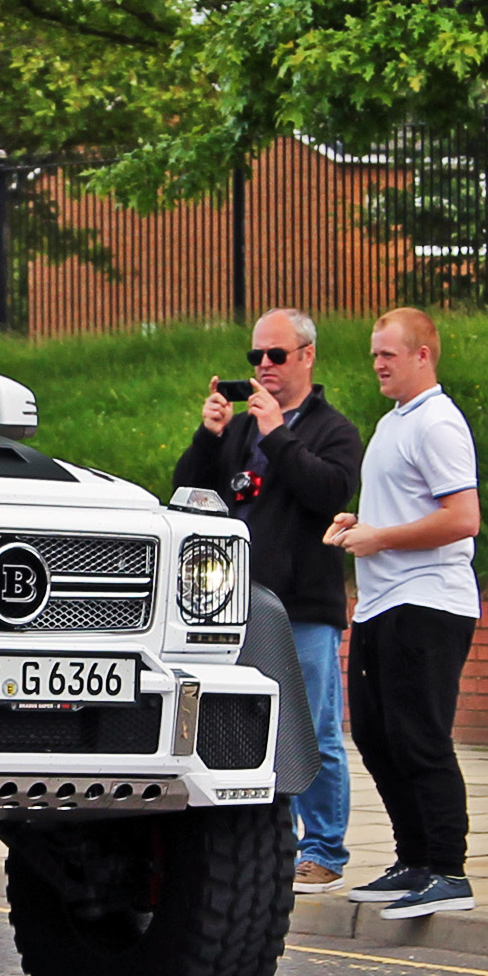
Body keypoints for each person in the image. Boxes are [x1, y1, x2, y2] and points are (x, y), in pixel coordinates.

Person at [174, 308, 365, 892]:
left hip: (303, 606)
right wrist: (209, 438)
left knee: (313, 729)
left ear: (306, 356)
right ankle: (252, 842)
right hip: (235, 605)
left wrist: (278, 434)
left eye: (275, 356)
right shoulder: (238, 431)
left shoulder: (333, 429)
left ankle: (324, 848)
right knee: (238, 724)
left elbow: (328, 492)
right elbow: (186, 494)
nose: (262, 367)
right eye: (255, 357)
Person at [326, 308, 481, 919]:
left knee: (420, 737)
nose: (378, 364)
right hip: (382, 602)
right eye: (373, 354)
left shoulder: (438, 423)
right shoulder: (395, 422)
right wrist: (359, 527)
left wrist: (381, 539)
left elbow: (462, 518)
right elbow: (402, 510)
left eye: (389, 353)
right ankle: (413, 860)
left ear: (424, 355)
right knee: (376, 735)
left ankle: (448, 868)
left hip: (428, 600)